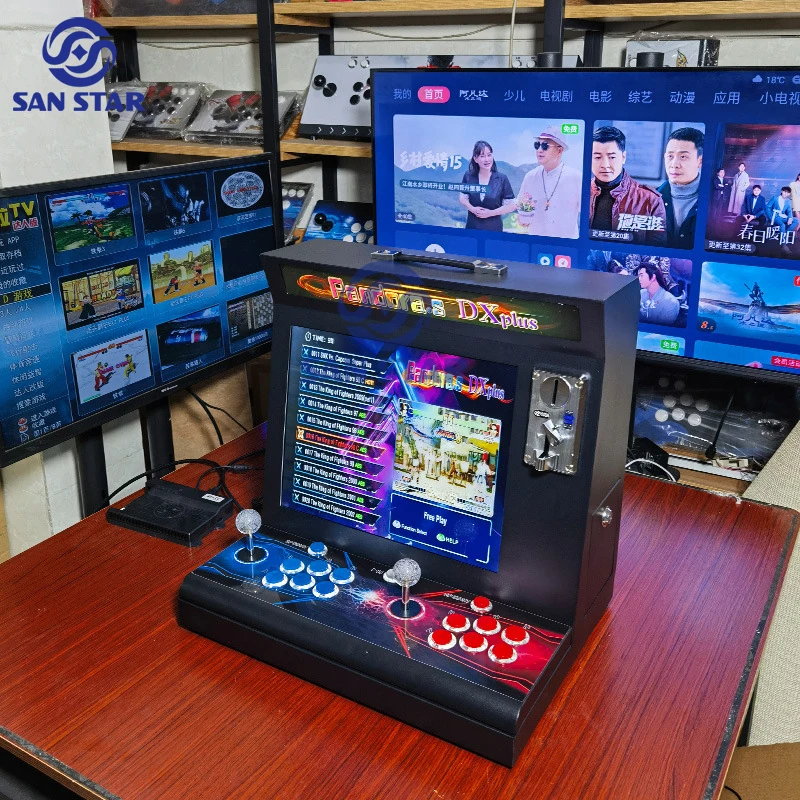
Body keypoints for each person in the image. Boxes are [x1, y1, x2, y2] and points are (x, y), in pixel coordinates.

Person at [589, 126, 667, 246]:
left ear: (623, 157)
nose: (605, 164)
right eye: (597, 157)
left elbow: (657, 249)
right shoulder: (578, 191)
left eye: (612, 157)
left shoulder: (650, 200)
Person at [515, 125, 582, 239]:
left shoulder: (576, 177)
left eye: (545, 146)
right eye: (537, 145)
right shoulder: (530, 177)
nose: (539, 150)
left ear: (559, 150)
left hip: (566, 245)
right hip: (536, 242)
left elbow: (588, 214)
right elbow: (521, 206)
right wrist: (522, 217)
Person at [657, 127, 703, 249]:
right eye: (670, 156)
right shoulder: (649, 199)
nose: (674, 165)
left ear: (700, 161)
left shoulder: (716, 200)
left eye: (683, 157)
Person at [459, 140, 516, 232]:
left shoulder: (502, 179)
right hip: (472, 227)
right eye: (482, 156)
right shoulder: (468, 176)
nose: (487, 159)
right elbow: (463, 198)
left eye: (489, 155)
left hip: (494, 229)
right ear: (475, 159)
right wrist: (472, 209)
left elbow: (512, 205)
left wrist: (491, 213)